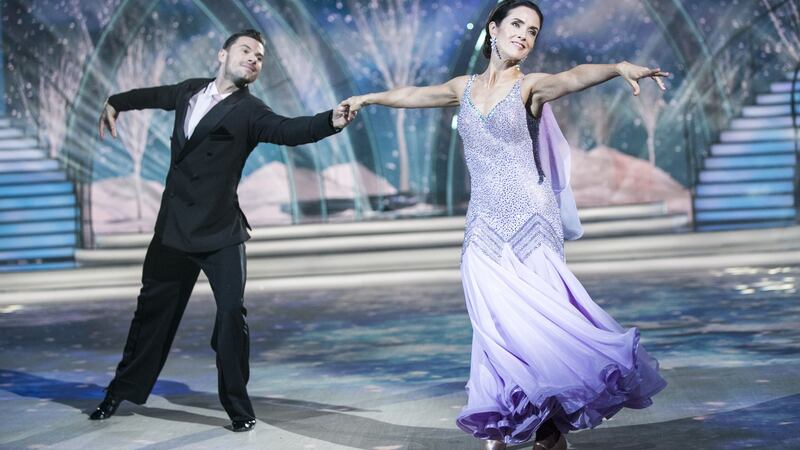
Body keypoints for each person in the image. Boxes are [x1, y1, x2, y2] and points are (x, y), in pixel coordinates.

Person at [342, 1, 668, 448]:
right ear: (493, 29)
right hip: (483, 232)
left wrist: (616, 67)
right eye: (517, 24)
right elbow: (417, 94)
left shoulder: (531, 87)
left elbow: (573, 77)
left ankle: (548, 430)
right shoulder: (464, 87)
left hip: (531, 227)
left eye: (533, 31)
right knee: (495, 331)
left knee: (541, 329)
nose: (524, 35)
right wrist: (367, 98)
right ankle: (506, 419)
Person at [92, 29, 353, 432]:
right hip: (174, 230)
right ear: (222, 54)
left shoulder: (250, 111)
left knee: (231, 316)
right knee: (151, 317)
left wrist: (330, 122)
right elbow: (148, 96)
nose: (253, 59)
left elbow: (288, 130)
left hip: (220, 233)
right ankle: (118, 392)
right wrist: (114, 103)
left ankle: (237, 404)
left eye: (260, 56)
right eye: (246, 50)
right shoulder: (189, 92)